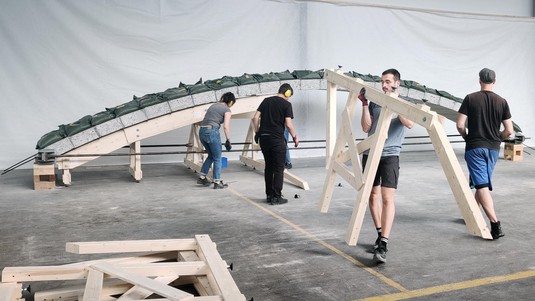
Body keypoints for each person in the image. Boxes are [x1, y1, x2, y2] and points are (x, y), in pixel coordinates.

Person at [358, 68, 414, 264]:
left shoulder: (406, 102)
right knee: (372, 195)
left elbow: (409, 123)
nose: (384, 85)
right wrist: (365, 105)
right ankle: (379, 232)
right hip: (370, 153)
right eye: (382, 81)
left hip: (390, 155)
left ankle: (384, 242)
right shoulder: (375, 101)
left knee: (387, 197)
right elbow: (366, 128)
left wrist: (394, 101)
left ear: (397, 83)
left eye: (388, 81)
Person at [456, 68, 513, 240]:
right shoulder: (502, 101)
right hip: (493, 149)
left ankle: (495, 224)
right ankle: (471, 215)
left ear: (479, 80)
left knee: (482, 186)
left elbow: (460, 125)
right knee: (482, 183)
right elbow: (509, 131)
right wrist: (498, 138)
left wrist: (467, 137)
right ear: (494, 81)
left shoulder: (470, 98)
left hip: (475, 147)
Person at [252, 83, 299, 205]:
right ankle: (276, 196)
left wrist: (257, 132)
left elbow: (255, 118)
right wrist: (295, 137)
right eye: (289, 96)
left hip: (264, 139)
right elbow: (288, 124)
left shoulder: (266, 101)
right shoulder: (286, 104)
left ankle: (269, 195)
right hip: (277, 139)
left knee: (269, 167)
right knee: (279, 168)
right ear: (287, 93)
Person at [197, 92, 236, 189]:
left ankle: (202, 177)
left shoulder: (213, 106)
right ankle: (217, 182)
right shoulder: (227, 110)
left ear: (222, 98)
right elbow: (226, 127)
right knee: (218, 157)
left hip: (202, 131)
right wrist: (228, 140)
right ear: (231, 102)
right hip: (212, 132)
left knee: (211, 156)